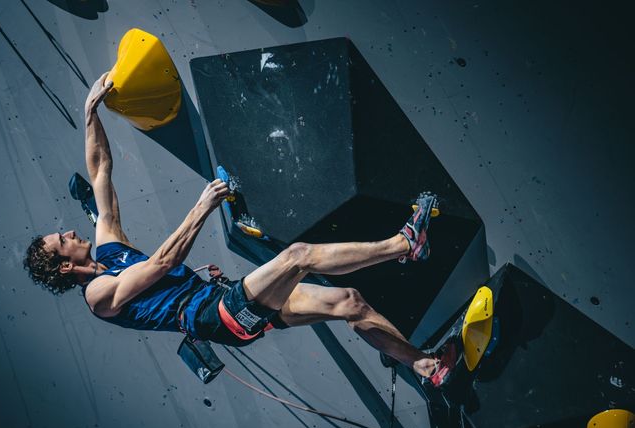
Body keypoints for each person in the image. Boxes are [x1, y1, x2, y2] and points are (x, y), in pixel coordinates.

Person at [24, 74, 454, 385]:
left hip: (220, 297)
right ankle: (404, 244)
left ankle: (425, 367)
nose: (69, 233)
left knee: (349, 302)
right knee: (298, 256)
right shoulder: (99, 297)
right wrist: (203, 206)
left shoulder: (109, 253)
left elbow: (100, 174)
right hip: (221, 318)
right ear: (63, 268)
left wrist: (88, 113)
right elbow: (163, 262)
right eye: (61, 241)